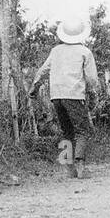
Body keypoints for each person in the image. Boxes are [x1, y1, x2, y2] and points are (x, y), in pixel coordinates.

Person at [29, 18, 99, 178]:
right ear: (82, 35)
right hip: (74, 95)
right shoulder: (84, 52)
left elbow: (43, 70)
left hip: (57, 96)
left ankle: (68, 169)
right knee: (82, 131)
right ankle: (80, 166)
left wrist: (35, 86)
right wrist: (93, 94)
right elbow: (91, 79)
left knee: (66, 131)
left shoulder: (56, 51)